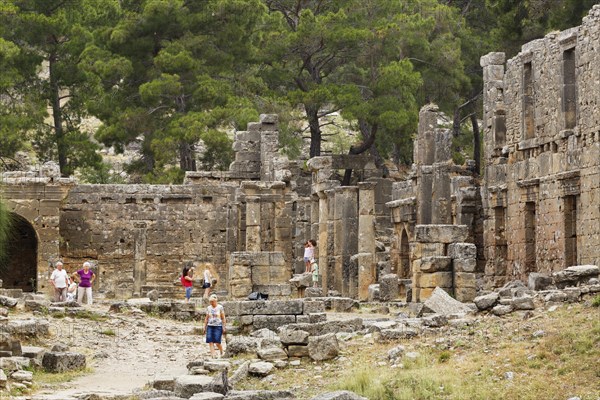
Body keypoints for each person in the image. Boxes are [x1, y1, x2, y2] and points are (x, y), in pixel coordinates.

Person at [203, 294, 226, 358]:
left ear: (216, 301)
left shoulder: (220, 307)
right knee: (210, 341)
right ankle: (213, 355)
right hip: (210, 326)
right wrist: (204, 327)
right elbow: (206, 318)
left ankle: (221, 350)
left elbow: (223, 318)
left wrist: (224, 327)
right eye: (210, 301)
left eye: (212, 301)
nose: (211, 303)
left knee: (217, 342)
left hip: (218, 326)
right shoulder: (208, 308)